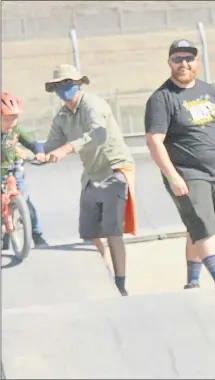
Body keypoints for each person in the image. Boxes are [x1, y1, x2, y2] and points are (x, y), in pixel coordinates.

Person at [144, 39, 215, 290]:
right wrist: (172, 176)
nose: (183, 64)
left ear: (197, 62)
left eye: (188, 58)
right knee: (203, 227)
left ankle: (192, 282)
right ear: (169, 63)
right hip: (187, 175)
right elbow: (154, 141)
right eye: (177, 59)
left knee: (199, 228)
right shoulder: (162, 98)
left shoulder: (210, 91)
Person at [42, 64, 137, 296]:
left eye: (68, 84)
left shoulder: (92, 105)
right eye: (59, 86)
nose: (64, 89)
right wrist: (27, 152)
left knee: (113, 231)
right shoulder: (62, 116)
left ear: (79, 84)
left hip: (114, 170)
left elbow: (98, 135)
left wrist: (66, 149)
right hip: (92, 175)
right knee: (90, 233)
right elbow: (49, 146)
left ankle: (121, 284)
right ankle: (104, 278)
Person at [1, 92, 49, 249]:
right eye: (7, 119)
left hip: (14, 171)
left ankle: (36, 236)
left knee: (26, 204)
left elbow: (32, 143)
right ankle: (5, 235)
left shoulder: (15, 130)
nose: (12, 123)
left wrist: (39, 152)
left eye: (15, 118)